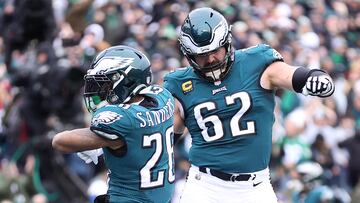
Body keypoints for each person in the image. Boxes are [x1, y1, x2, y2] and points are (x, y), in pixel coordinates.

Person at [163, 7, 335, 203]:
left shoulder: (257, 61)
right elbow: (164, 141)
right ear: (189, 55)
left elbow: (290, 75)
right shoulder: (179, 84)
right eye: (202, 55)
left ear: (227, 43)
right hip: (205, 186)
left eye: (215, 51)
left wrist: (313, 78)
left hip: (255, 186)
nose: (211, 59)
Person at [52, 45, 175, 203]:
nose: (101, 91)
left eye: (107, 85)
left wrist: (98, 140)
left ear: (127, 81)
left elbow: (59, 141)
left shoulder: (124, 120)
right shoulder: (163, 98)